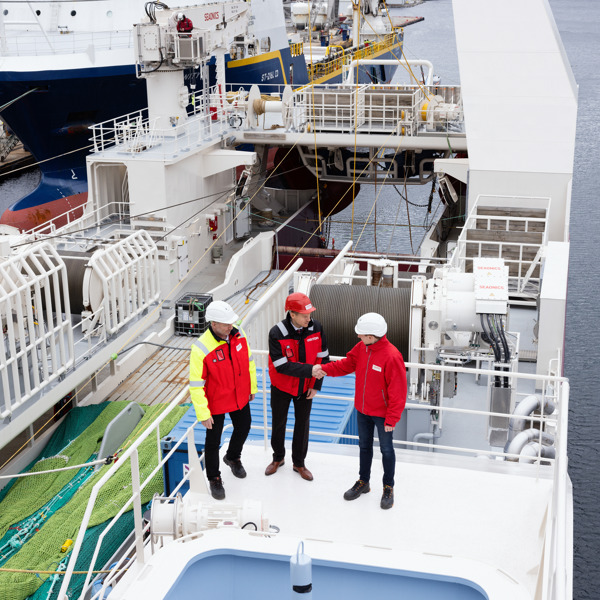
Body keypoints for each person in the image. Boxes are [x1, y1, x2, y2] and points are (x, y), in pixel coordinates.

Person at [313, 313, 406, 509]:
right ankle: (364, 482)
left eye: (361, 334)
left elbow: (398, 391)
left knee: (386, 450)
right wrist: (325, 369)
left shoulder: (392, 356)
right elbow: (346, 365)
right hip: (362, 410)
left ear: (371, 336)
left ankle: (388, 487)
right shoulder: (362, 348)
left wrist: (392, 419)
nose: (358, 336)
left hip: (382, 416)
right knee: (364, 447)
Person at [189, 300, 257, 500]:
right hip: (215, 402)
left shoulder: (239, 334)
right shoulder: (200, 348)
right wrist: (203, 413)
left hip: (239, 394)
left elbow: (249, 362)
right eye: (226, 323)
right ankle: (214, 478)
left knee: (244, 426)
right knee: (213, 442)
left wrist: (251, 387)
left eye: (231, 322)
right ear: (213, 324)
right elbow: (196, 385)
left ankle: (233, 457)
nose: (231, 326)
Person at [265, 292, 329, 481]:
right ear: (292, 314)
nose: (309, 319)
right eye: (304, 315)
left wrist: (315, 384)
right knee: (278, 423)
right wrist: (311, 370)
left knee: (302, 424)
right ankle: (278, 458)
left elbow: (323, 357)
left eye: (310, 314)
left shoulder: (317, 327)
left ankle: (299, 463)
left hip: (306, 387)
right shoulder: (276, 333)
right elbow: (281, 366)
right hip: (281, 387)